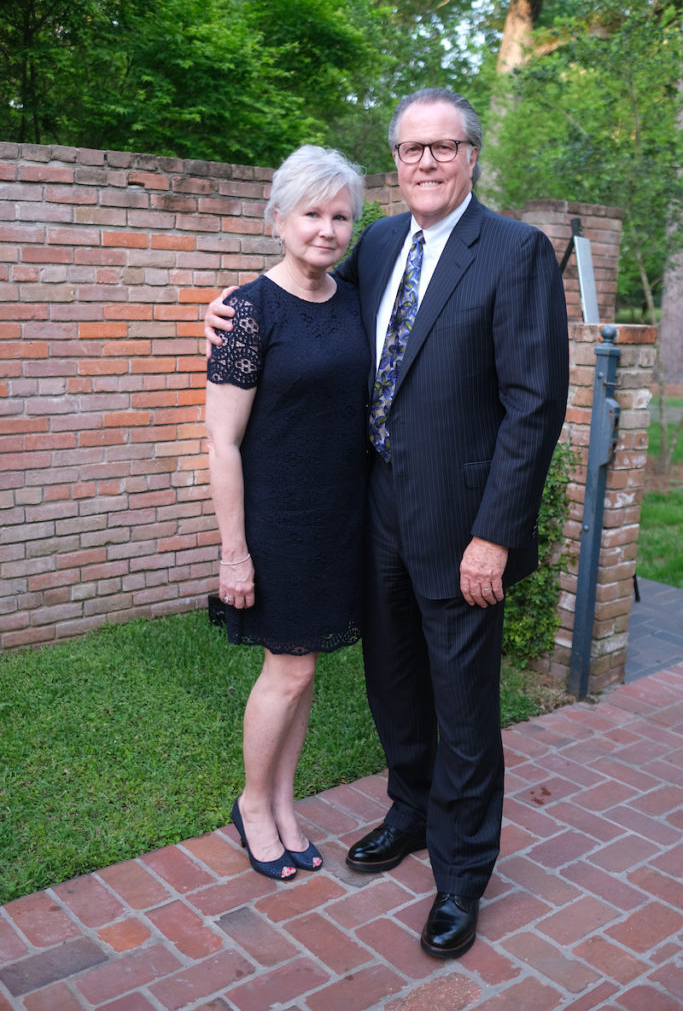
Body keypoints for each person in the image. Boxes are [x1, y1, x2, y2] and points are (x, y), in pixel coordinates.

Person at [205, 89, 569, 954]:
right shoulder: (374, 243)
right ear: (394, 162)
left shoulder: (514, 252)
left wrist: (495, 532)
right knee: (395, 685)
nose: (427, 163)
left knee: (463, 707)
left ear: (471, 156)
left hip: (461, 525)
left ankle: (461, 875)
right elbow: (301, 299)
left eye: (444, 147)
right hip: (373, 516)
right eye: (411, 150)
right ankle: (409, 813)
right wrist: (221, 314)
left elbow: (534, 404)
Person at [205, 144, 368, 883]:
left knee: (304, 675)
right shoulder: (244, 311)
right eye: (311, 213)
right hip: (278, 524)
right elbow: (221, 440)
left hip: (342, 519)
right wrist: (233, 552)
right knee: (287, 672)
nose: (327, 230)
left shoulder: (356, 298)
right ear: (277, 219)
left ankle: (283, 803)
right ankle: (251, 805)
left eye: (341, 216)